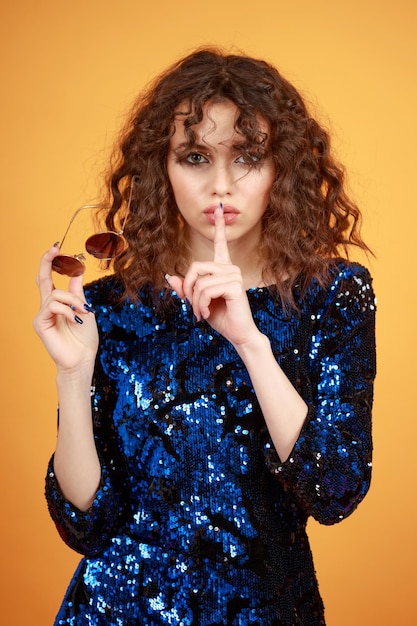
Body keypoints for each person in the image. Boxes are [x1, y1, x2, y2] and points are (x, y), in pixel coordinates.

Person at [33, 47, 376, 626]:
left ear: (280, 170)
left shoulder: (332, 294)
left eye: (246, 157)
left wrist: (250, 342)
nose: (221, 185)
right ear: (161, 170)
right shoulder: (111, 308)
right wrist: (73, 372)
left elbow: (334, 489)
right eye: (194, 156)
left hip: (266, 609)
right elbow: (86, 522)